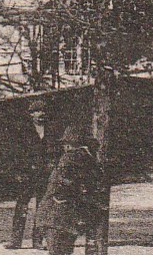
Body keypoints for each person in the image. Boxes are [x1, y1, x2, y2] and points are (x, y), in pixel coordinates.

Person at [38, 125, 108, 254]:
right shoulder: (86, 158)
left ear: (68, 144)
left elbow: (63, 184)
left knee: (59, 252)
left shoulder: (70, 157)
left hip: (57, 215)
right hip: (63, 215)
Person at [8, 99, 62, 249]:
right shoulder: (23, 131)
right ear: (31, 114)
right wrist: (18, 171)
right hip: (27, 173)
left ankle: (38, 240)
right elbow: (15, 153)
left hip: (44, 173)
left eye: (43, 111)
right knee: (22, 206)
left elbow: (56, 151)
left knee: (42, 206)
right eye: (37, 111)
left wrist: (53, 167)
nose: (41, 114)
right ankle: (15, 240)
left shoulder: (51, 131)